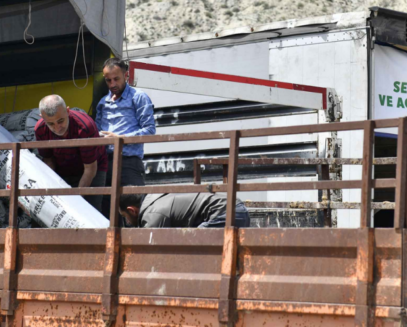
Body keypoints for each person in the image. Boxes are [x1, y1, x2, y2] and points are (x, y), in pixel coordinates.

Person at [35, 95, 107, 212]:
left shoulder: (85, 126)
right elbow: (49, 160)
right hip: (62, 168)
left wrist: (77, 199)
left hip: (93, 168)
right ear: (42, 118)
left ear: (67, 111)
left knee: (90, 212)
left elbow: (90, 169)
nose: (57, 128)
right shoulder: (40, 129)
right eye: (51, 124)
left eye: (61, 121)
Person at [95, 58, 155, 189]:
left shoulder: (138, 97)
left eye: (116, 79)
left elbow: (150, 131)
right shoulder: (102, 102)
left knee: (133, 206)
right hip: (104, 165)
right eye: (108, 80)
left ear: (126, 75)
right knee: (104, 209)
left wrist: (119, 139)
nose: (112, 84)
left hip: (128, 163)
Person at [118, 193, 250, 228]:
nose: (127, 222)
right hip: (236, 209)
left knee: (191, 247)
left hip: (226, 213)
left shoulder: (153, 215)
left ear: (132, 210)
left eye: (125, 216)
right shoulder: (155, 199)